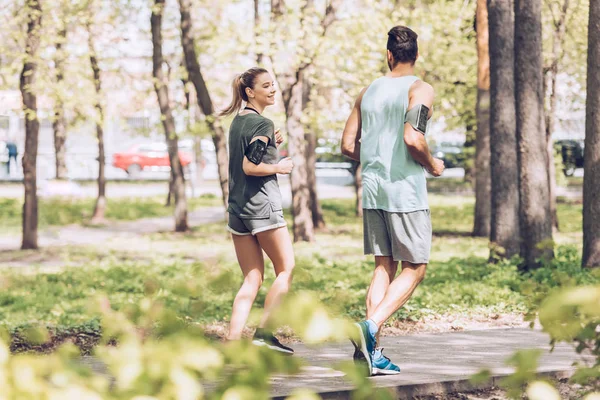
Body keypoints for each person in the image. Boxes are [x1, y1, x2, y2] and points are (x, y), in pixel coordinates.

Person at [341, 26, 445, 375]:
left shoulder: (367, 91)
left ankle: (370, 355)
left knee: (383, 266)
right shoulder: (420, 88)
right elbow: (413, 139)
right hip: (405, 191)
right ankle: (369, 327)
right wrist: (433, 165)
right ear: (416, 55)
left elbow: (346, 145)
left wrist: (375, 157)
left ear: (388, 55)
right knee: (415, 268)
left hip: (372, 190)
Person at [219, 67, 296, 354]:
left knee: (252, 277)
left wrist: (271, 146)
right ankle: (264, 334)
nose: (273, 90)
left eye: (273, 84)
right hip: (262, 208)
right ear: (250, 92)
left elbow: (249, 154)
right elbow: (249, 167)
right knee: (286, 269)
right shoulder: (262, 124)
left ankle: (232, 341)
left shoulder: (239, 121)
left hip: (238, 210)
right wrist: (279, 165)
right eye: (266, 86)